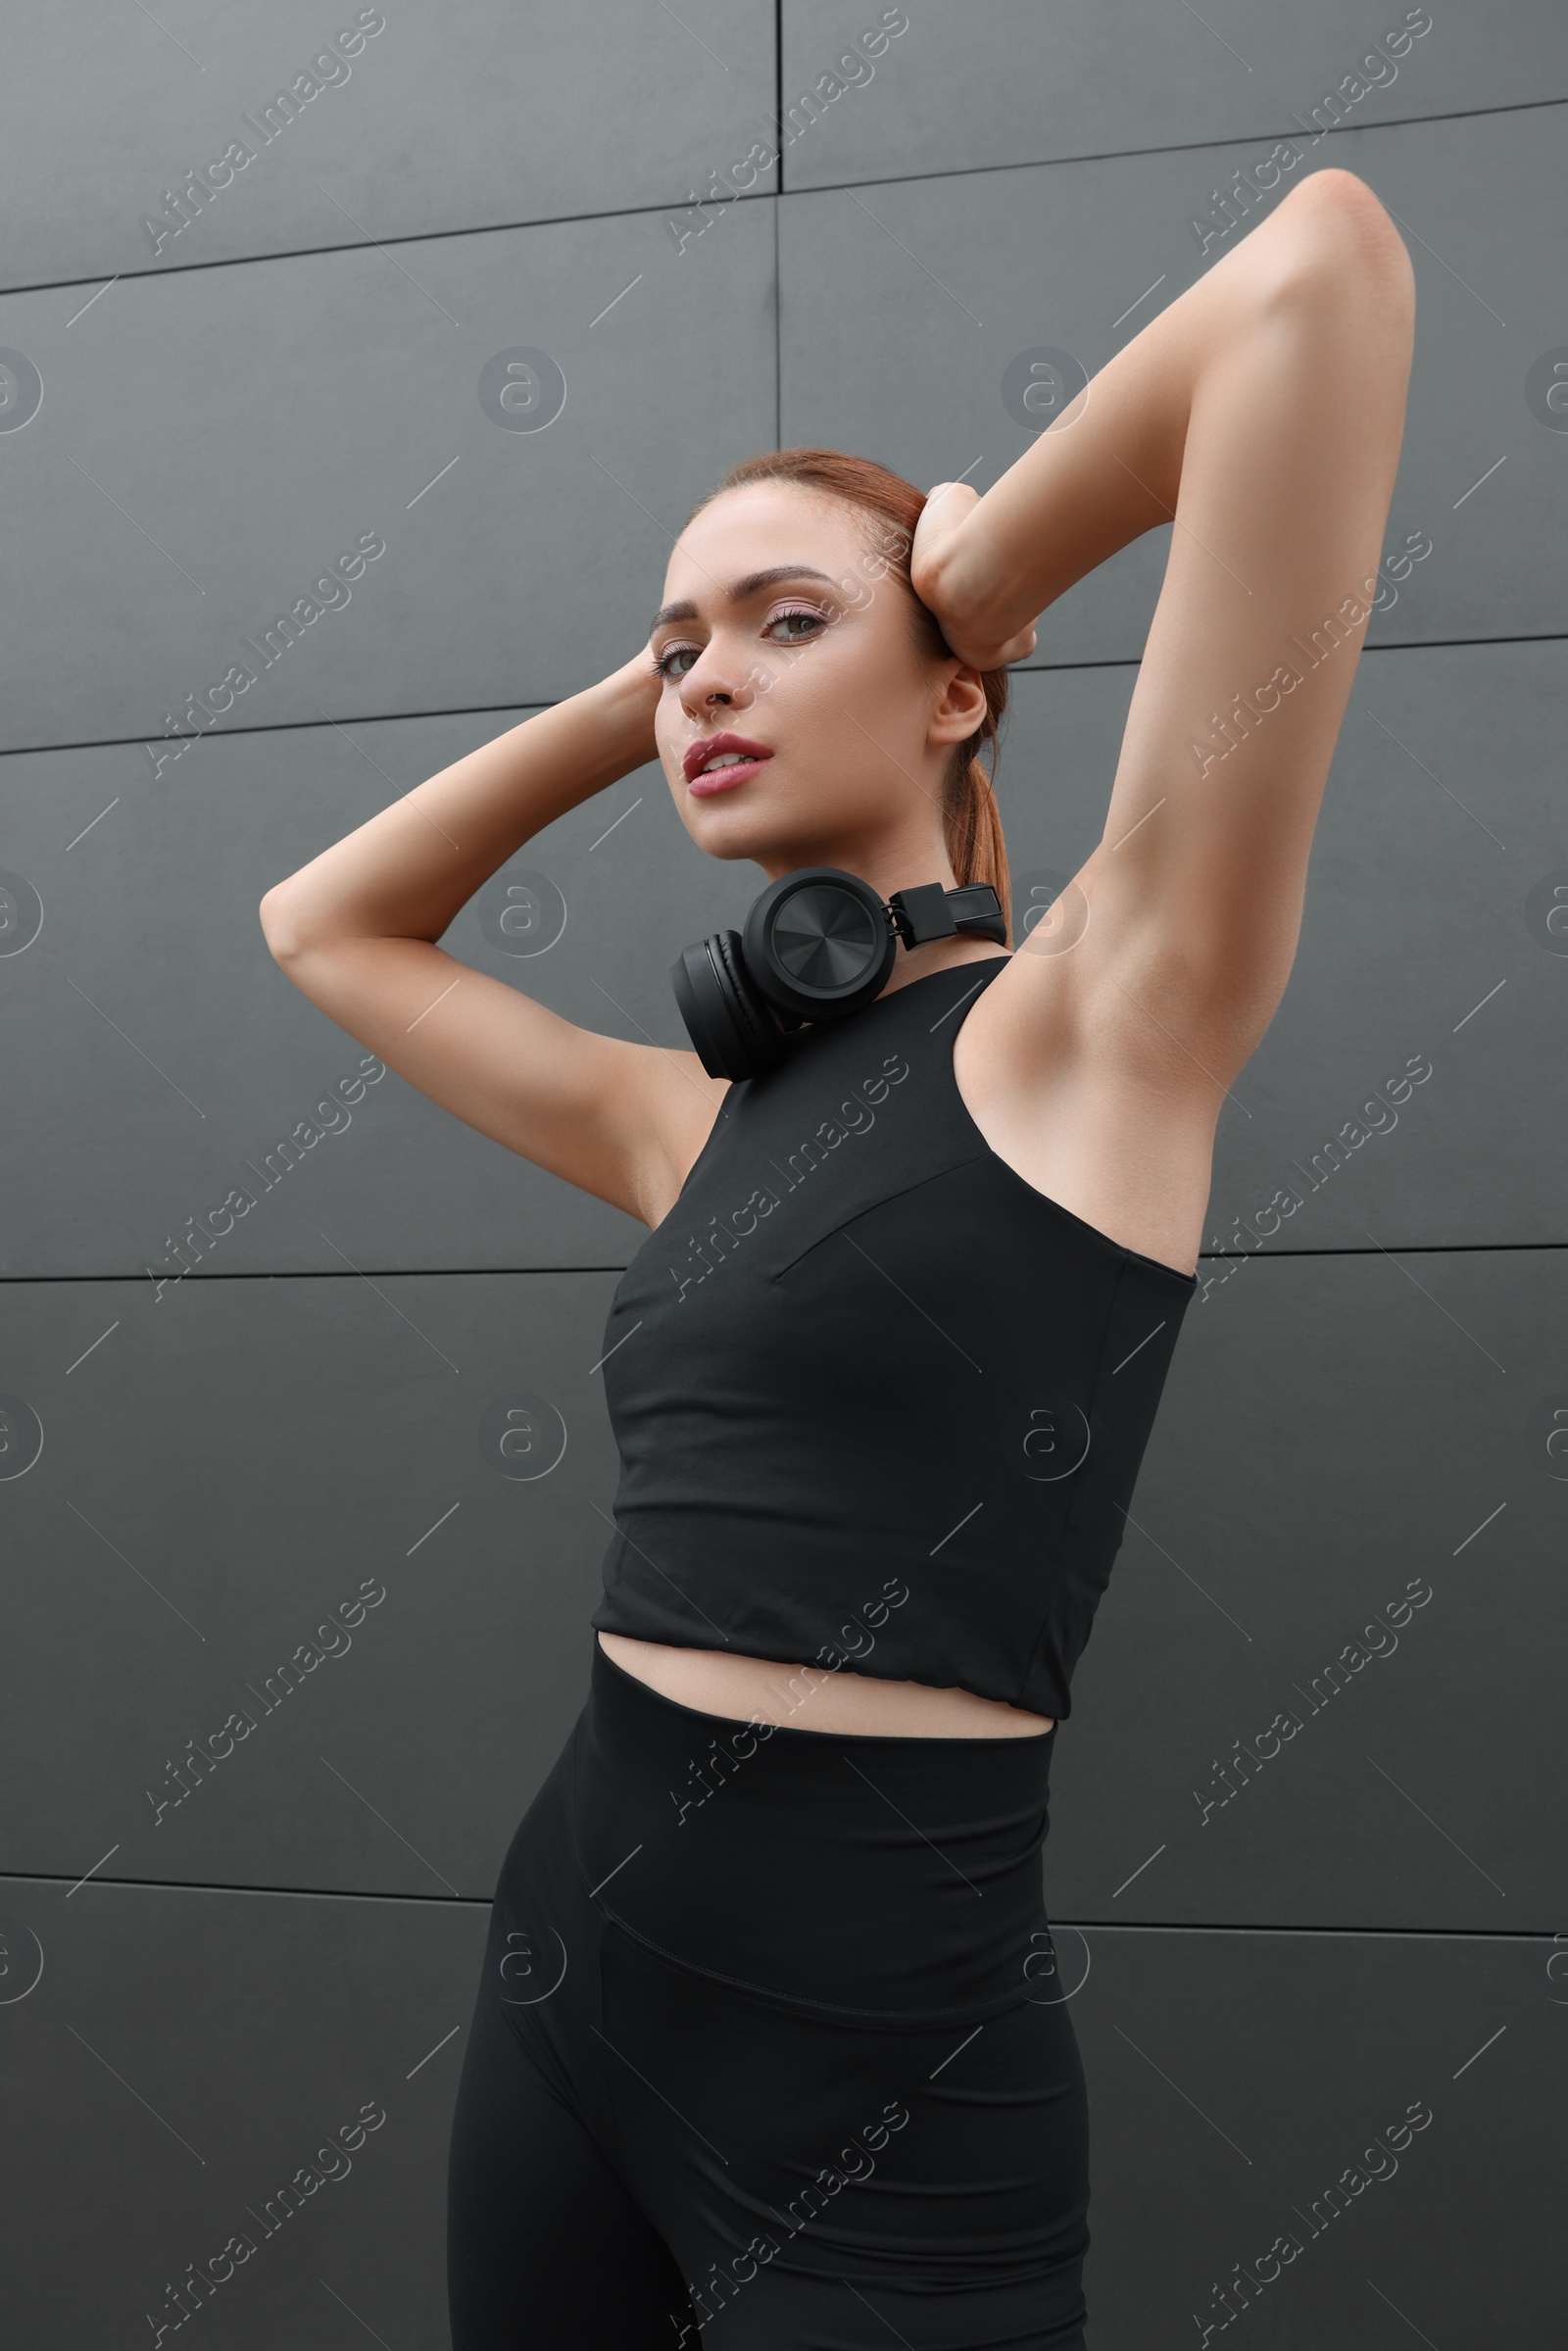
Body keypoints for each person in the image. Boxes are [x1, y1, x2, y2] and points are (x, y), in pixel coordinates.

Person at [260, 167, 1413, 2349]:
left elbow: (1319, 271)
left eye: (786, 623)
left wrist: (972, 566)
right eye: (679, 637)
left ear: (959, 690)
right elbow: (321, 926)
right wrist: (643, 693)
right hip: (568, 1979)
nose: (709, 677)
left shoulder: (1101, 1023)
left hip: (886, 2075)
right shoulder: (687, 1121)